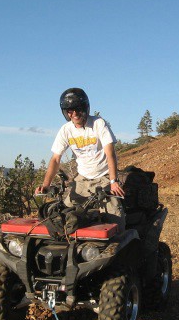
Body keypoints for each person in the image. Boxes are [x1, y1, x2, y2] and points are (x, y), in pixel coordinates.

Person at [36, 88, 126, 231]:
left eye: (78, 109)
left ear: (85, 108)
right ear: (65, 112)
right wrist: (45, 185)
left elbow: (110, 154)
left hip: (104, 176)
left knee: (115, 217)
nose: (75, 114)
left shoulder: (98, 123)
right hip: (82, 178)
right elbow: (55, 159)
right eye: (70, 111)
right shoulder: (66, 130)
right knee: (65, 213)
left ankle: (122, 248)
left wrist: (113, 181)